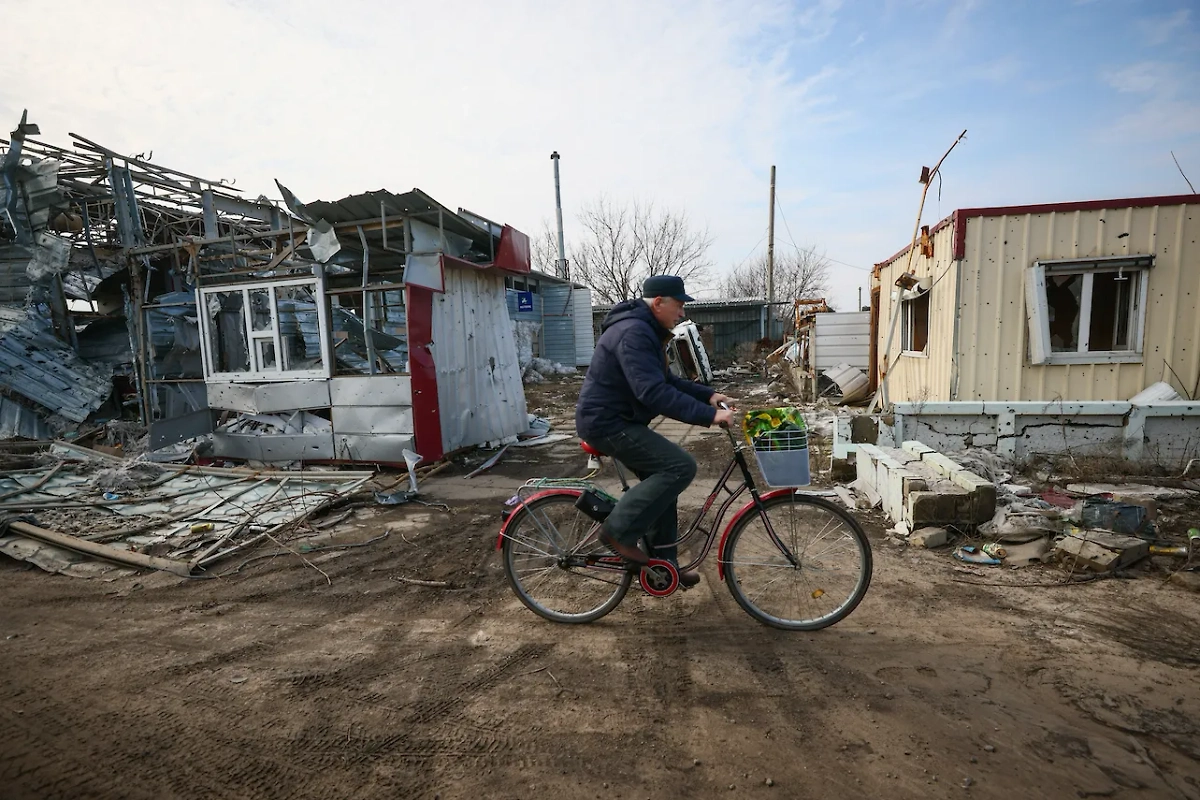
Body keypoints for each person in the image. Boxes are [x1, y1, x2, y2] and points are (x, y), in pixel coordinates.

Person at [575, 275, 736, 587]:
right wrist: (710, 416)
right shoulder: (633, 333)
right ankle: (616, 532)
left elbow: (666, 380)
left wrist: (708, 396)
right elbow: (653, 393)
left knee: (663, 488)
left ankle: (662, 568)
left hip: (619, 420)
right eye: (679, 305)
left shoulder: (644, 329)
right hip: (607, 423)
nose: (682, 313)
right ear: (659, 302)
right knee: (679, 467)